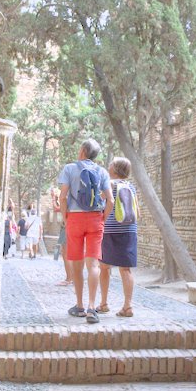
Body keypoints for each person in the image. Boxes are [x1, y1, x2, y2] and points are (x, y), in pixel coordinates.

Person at [57, 139, 113, 324]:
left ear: (82, 150)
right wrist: (102, 218)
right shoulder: (102, 171)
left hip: (74, 218)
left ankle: (79, 306)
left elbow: (63, 196)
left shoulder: (70, 169)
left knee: (77, 264)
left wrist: (66, 218)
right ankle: (91, 308)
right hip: (95, 218)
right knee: (94, 265)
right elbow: (110, 201)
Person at [98, 157, 138, 317]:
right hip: (129, 230)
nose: (109, 166)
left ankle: (103, 304)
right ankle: (128, 306)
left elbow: (100, 200)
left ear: (115, 169)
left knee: (104, 267)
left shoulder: (110, 184)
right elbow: (137, 212)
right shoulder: (131, 187)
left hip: (109, 231)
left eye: (111, 164)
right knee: (125, 269)